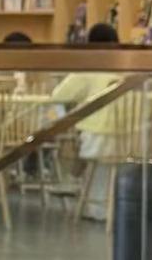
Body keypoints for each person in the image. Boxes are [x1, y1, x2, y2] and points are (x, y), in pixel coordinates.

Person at [51, 22, 123, 221]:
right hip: (132, 139)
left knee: (84, 142)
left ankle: (88, 199)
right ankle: (109, 204)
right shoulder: (127, 67)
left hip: (98, 137)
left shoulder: (88, 69)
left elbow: (59, 95)